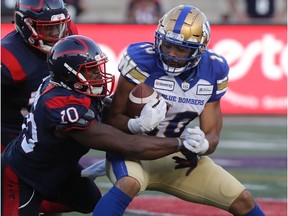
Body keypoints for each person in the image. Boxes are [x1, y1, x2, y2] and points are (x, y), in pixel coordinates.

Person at [92, 5, 266, 216]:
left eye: (181, 49)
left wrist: (202, 145)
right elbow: (112, 118)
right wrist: (135, 124)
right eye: (167, 46)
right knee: (128, 183)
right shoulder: (141, 61)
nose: (171, 54)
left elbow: (212, 135)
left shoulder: (214, 69)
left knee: (242, 199)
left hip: (175, 155)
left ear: (198, 51)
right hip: (132, 152)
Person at [1, 34, 201, 216]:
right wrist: (181, 143)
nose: (98, 74)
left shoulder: (68, 87)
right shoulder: (63, 108)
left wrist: (135, 123)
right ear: (69, 74)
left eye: (97, 68)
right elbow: (130, 145)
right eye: (91, 71)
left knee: (89, 201)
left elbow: (103, 110)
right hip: (22, 178)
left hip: (57, 168)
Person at [1, 0, 78, 215]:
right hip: (11, 139)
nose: (56, 34)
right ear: (24, 25)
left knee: (85, 198)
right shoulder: (8, 57)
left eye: (58, 26)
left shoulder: (68, 34)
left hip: (47, 139)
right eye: (47, 28)